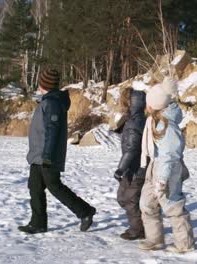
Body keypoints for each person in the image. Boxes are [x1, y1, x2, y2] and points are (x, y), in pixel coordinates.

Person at [19, 69, 96, 234]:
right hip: (38, 155)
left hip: (47, 156)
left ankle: (85, 211)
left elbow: (52, 131)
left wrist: (47, 157)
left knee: (55, 187)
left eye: (41, 82)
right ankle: (38, 223)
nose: (39, 85)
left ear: (44, 85)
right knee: (35, 187)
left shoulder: (52, 103)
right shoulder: (47, 101)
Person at [138, 78, 195, 253]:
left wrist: (162, 179)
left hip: (168, 171)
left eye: (148, 103)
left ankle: (184, 244)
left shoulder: (166, 125)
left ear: (155, 105)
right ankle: (155, 240)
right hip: (155, 167)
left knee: (173, 205)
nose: (145, 106)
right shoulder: (155, 120)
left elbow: (170, 154)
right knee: (147, 203)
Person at [114, 89, 147, 240]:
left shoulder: (135, 122)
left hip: (136, 168)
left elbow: (131, 149)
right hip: (132, 168)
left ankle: (138, 229)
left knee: (130, 199)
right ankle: (142, 223)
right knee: (123, 197)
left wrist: (121, 168)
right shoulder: (134, 119)